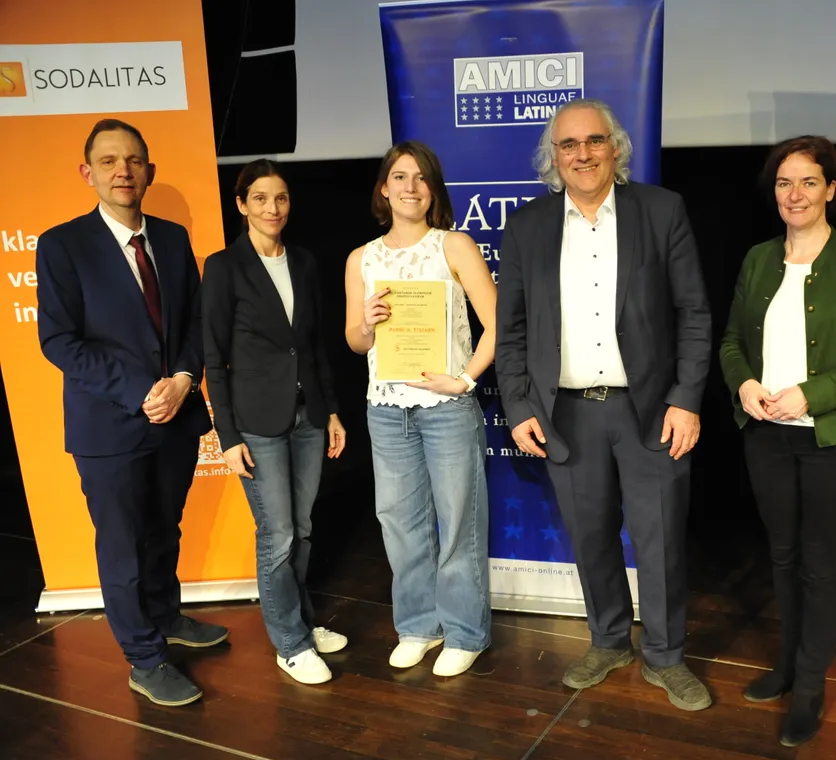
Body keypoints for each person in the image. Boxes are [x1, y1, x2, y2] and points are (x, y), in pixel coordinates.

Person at [495, 98, 713, 711]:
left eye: (594, 141)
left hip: (652, 412)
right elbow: (511, 330)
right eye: (568, 145)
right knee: (589, 535)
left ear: (615, 147)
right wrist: (520, 405)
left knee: (659, 539)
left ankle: (665, 657)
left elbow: (694, 313)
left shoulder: (661, 210)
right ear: (554, 156)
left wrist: (686, 399)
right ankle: (609, 641)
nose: (582, 154)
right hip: (565, 413)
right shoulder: (528, 226)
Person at [36, 119, 227, 707]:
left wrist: (184, 378)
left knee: (163, 530)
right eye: (109, 161)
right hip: (110, 425)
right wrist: (143, 390)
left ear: (150, 172)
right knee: (121, 546)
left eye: (134, 161)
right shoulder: (62, 244)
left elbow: (195, 322)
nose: (123, 170)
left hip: (176, 417)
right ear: (87, 172)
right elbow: (59, 341)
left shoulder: (171, 238)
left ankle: (165, 616)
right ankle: (144, 659)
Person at [719, 135, 836, 744]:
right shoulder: (757, 259)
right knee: (781, 556)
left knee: (819, 564)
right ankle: (787, 666)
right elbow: (731, 341)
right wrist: (744, 382)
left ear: (831, 189)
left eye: (808, 182)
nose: (794, 194)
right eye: (783, 183)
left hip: (832, 441)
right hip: (766, 437)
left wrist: (811, 394)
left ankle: (811, 686)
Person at [344, 142, 496, 678]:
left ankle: (465, 632)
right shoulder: (361, 259)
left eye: (421, 177)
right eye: (399, 176)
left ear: (433, 189)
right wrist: (367, 321)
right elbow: (355, 342)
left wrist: (465, 379)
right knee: (399, 525)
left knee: (459, 522)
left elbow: (498, 324)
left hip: (446, 407)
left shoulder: (454, 245)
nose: (410, 186)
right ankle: (417, 627)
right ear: (383, 189)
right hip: (387, 410)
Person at [202, 159, 348, 685]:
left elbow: (312, 345)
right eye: (260, 198)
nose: (272, 208)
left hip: (308, 416)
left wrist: (331, 409)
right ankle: (289, 643)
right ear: (242, 205)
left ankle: (301, 622)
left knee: (301, 529)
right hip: (257, 423)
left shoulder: (303, 262)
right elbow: (213, 358)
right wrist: (227, 436)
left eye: (281, 198)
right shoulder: (223, 267)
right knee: (278, 533)